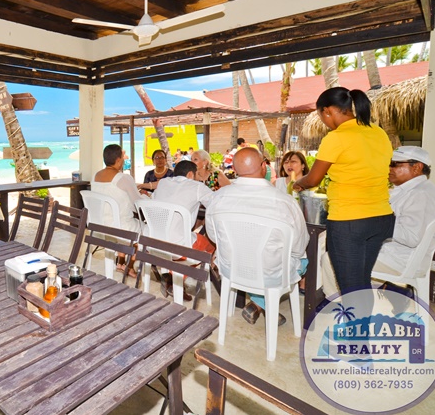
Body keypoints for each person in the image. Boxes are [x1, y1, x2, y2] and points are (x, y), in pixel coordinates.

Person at [294, 87, 394, 294]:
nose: (324, 122)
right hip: (381, 218)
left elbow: (313, 179)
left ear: (327, 111)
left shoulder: (336, 137)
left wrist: (298, 183)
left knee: (352, 291)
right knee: (361, 284)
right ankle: (361, 316)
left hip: (350, 221)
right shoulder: (379, 133)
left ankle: (356, 317)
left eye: (321, 116)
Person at [206, 148, 309, 325]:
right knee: (303, 259)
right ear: (263, 167)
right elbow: (299, 247)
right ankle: (263, 303)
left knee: (253, 259)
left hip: (232, 268)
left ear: (235, 170)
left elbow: (214, 236)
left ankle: (259, 303)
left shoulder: (218, 198)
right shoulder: (285, 202)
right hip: (272, 274)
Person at [153, 160, 216, 298]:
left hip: (154, 243)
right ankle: (175, 279)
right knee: (211, 245)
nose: (199, 178)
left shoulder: (163, 183)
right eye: (197, 174)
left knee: (189, 236)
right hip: (178, 246)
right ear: (190, 174)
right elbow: (216, 204)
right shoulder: (197, 186)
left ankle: (172, 278)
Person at [92, 144, 147, 235]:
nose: (124, 161)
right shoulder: (123, 178)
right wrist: (145, 196)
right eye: (122, 158)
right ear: (118, 160)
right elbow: (138, 205)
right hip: (122, 228)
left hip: (99, 227)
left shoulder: (95, 176)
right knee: (150, 229)